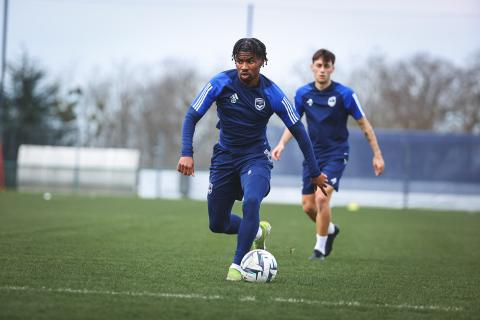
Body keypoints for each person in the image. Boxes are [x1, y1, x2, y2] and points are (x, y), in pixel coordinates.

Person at [177, 38, 327, 281]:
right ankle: (257, 230)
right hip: (225, 158)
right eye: (240, 61)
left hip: (255, 158)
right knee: (217, 224)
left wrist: (314, 171)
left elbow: (299, 131)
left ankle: (237, 265)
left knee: (251, 201)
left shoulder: (272, 93)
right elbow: (191, 116)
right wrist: (186, 152)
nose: (244, 66)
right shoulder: (220, 82)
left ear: (262, 62)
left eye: (251, 61)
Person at [272, 49, 385, 260]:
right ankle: (330, 230)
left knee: (322, 199)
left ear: (332, 68)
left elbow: (365, 125)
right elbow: (294, 124)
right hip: (312, 155)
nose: (322, 70)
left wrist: (377, 154)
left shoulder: (345, 94)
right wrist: (281, 144)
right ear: (312, 67)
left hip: (336, 153)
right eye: (319, 65)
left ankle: (319, 250)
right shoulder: (303, 94)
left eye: (326, 66)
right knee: (308, 206)